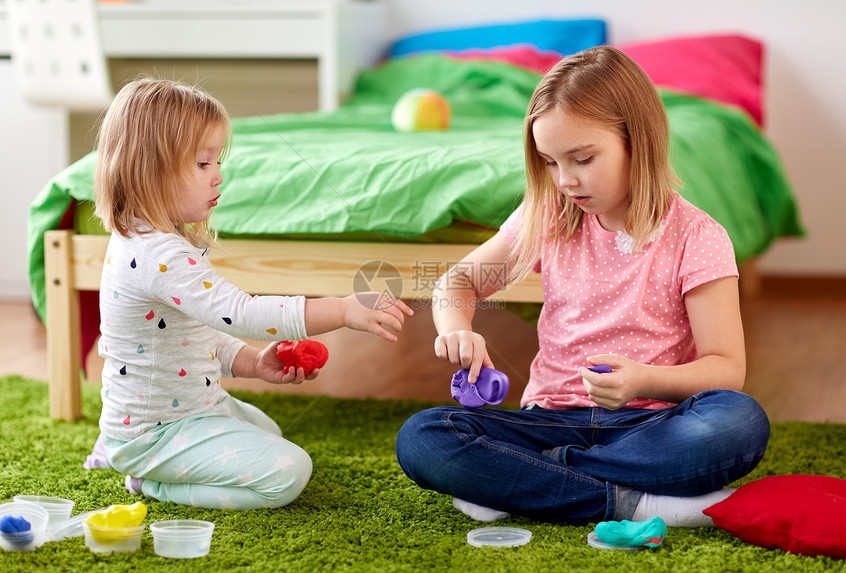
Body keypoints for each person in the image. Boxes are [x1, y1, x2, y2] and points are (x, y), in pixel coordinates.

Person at [396, 46, 769, 526]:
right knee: (424, 436)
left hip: (649, 425)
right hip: (550, 421)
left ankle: (521, 482)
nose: (565, 180)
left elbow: (726, 368)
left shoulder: (697, 236)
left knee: (739, 421)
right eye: (550, 162)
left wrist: (644, 380)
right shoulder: (548, 213)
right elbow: (457, 284)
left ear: (639, 140)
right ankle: (635, 501)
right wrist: (457, 328)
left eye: (583, 158)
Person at [92, 77, 413, 510]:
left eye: (216, 161)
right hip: (155, 432)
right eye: (203, 164)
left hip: (190, 409)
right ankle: (148, 480)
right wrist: (341, 310)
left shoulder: (154, 240)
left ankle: (140, 458)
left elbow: (192, 333)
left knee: (271, 435)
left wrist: (254, 363)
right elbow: (240, 312)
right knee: (288, 473)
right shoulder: (157, 254)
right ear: (151, 170)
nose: (218, 175)